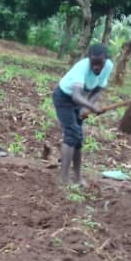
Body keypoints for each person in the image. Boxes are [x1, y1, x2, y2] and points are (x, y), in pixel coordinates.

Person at [53, 44, 112, 185]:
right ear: (89, 60)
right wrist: (92, 107)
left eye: (100, 64)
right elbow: (75, 96)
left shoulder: (109, 66)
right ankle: (64, 178)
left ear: (106, 61)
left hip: (80, 100)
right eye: (93, 64)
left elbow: (98, 89)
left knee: (78, 138)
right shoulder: (82, 67)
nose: (96, 68)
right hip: (64, 98)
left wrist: (87, 106)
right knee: (72, 133)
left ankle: (78, 178)